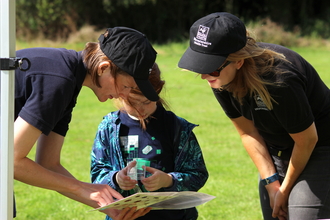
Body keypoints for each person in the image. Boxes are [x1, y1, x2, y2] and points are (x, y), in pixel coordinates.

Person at [178, 12, 330, 220]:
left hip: (320, 147)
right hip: (278, 149)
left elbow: (307, 139)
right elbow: (248, 132)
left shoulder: (279, 80)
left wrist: (284, 192)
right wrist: (272, 184)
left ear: (238, 62)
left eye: (211, 69)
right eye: (201, 66)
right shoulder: (220, 78)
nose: (205, 76)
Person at [13, 27, 158, 219]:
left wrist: (106, 204)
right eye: (125, 87)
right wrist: (82, 188)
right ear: (103, 67)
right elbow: (10, 161)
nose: (124, 96)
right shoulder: (59, 80)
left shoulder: (69, 81)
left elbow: (48, 164)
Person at [90, 62, 209, 220]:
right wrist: (116, 179)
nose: (141, 109)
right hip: (125, 216)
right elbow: (97, 173)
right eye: (132, 103)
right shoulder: (109, 128)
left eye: (146, 102)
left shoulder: (177, 128)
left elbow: (197, 174)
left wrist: (168, 180)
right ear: (120, 93)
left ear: (158, 92)